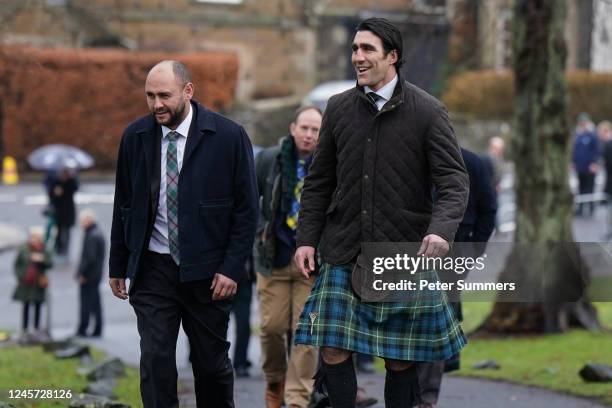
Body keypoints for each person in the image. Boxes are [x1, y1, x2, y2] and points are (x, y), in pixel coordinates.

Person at [293, 18, 469, 408]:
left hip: (401, 252)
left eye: (367, 49)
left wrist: (440, 231)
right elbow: (319, 181)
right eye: (355, 48)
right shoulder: (338, 108)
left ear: (393, 56)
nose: (357, 57)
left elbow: (455, 182)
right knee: (333, 349)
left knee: (400, 359)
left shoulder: (427, 111)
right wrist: (306, 239)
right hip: (342, 248)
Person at [108, 60, 258, 407]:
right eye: (150, 96)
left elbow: (247, 210)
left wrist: (231, 267)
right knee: (156, 359)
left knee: (210, 364)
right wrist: (119, 264)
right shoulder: (135, 137)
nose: (157, 104)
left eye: (164, 95)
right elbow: (123, 203)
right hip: (153, 267)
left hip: (208, 271)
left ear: (188, 91)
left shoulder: (228, 137)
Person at [417, 148, 497, 408]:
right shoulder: (413, 157)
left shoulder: (472, 161)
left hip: (454, 250)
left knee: (436, 321)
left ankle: (426, 398)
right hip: (411, 248)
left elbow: (488, 208)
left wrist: (473, 252)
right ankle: (411, 393)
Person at [254, 106, 322, 408]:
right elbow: (247, 199)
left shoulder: (328, 163)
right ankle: (274, 379)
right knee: (271, 328)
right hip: (274, 258)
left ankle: (297, 399)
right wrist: (260, 232)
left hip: (311, 265)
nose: (308, 135)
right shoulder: (269, 159)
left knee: (306, 334)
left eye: (315, 130)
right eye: (304, 128)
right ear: (293, 128)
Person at [13, 227, 53, 339]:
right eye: (34, 237)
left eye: (39, 237)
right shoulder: (24, 249)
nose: (36, 239)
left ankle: (36, 328)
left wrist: (42, 259)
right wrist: (21, 276)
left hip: (38, 283)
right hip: (26, 282)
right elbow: (17, 265)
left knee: (37, 305)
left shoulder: (44, 249)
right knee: (25, 305)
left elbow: (50, 263)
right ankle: (24, 329)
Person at [75, 209, 106, 337]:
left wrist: (82, 273)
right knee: (95, 303)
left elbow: (89, 258)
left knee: (87, 303)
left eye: (82, 221)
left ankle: (83, 328)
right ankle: (97, 329)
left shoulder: (92, 235)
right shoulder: (96, 233)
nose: (81, 224)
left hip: (89, 276)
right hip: (96, 275)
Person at [231, 257, 255, 378]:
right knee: (215, 324)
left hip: (244, 281)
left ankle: (240, 363)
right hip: (220, 278)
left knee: (243, 325)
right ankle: (213, 362)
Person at [47, 168, 79, 259]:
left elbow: (75, 188)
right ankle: (58, 250)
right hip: (58, 212)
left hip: (68, 212)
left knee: (67, 233)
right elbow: (51, 196)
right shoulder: (55, 181)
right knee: (58, 232)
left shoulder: (71, 181)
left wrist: (71, 179)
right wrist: (55, 193)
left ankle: (65, 251)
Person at [572, 112, 600, 216]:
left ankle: (591, 208)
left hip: (590, 167)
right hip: (580, 167)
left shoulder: (592, 135)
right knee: (581, 187)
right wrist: (572, 162)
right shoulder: (577, 135)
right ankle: (580, 208)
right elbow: (574, 150)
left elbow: (597, 151)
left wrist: (595, 163)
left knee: (590, 188)